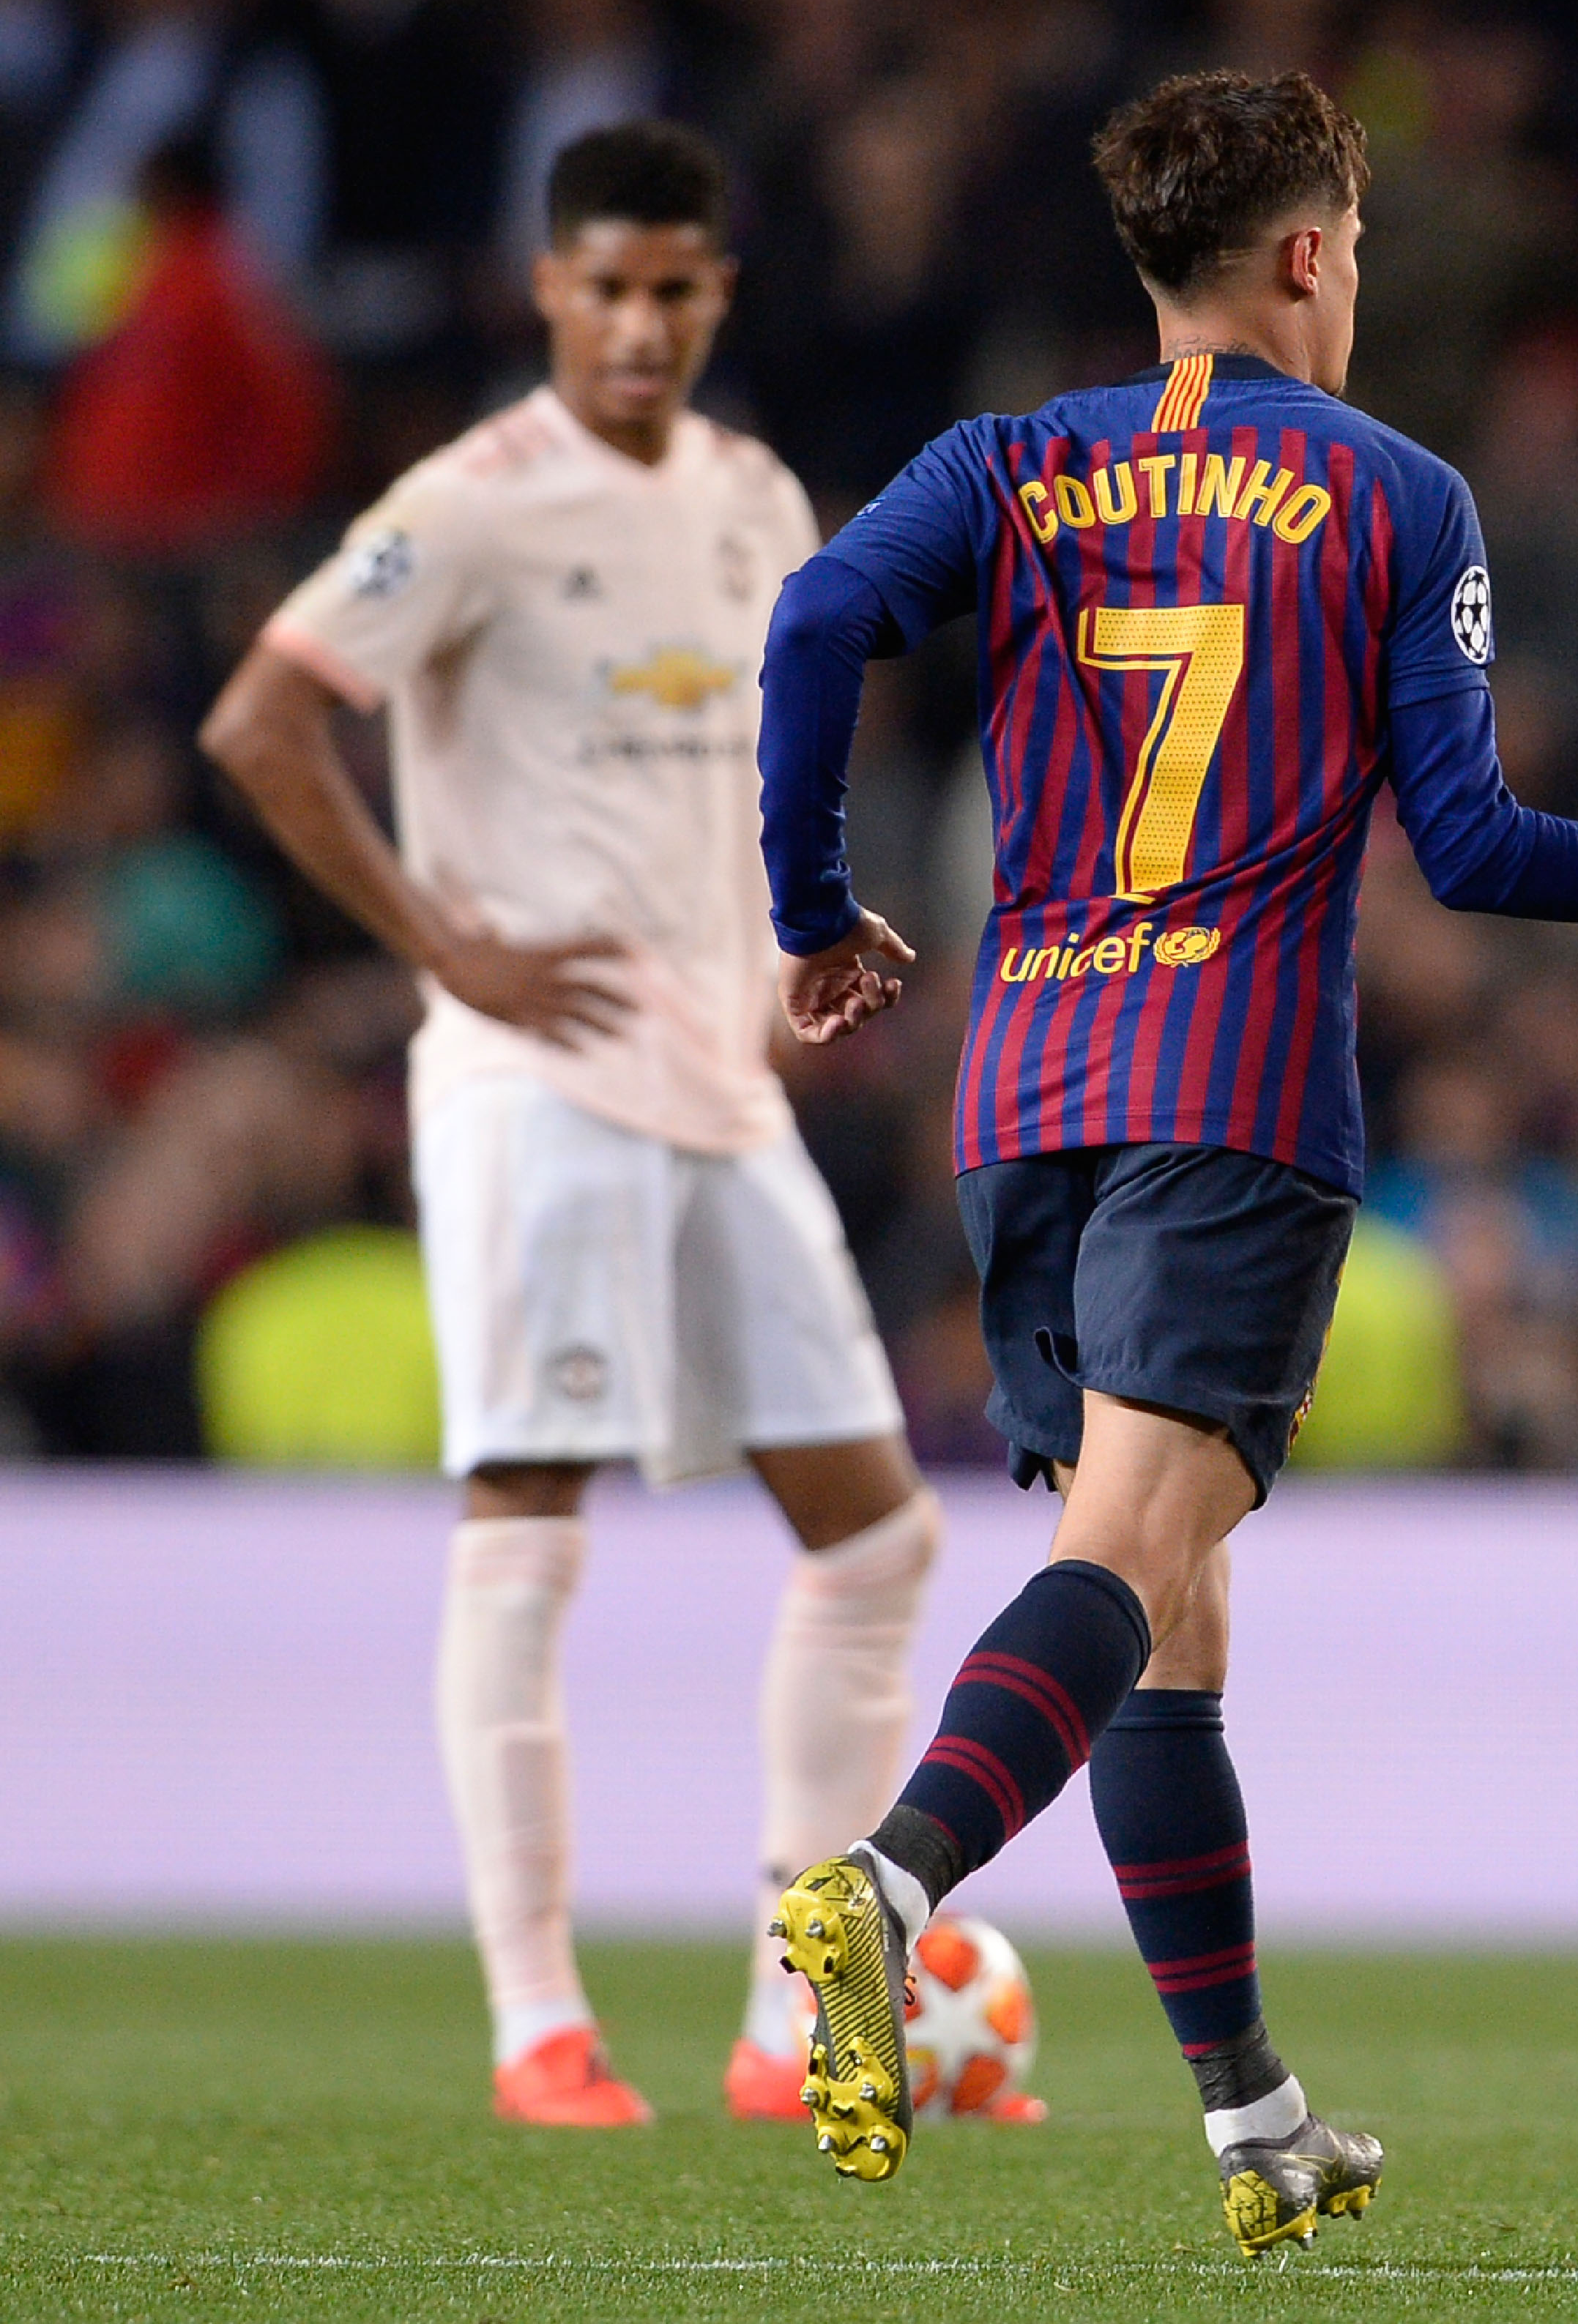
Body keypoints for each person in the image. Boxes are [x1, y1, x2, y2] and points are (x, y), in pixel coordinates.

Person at [752, 68, 1578, 2258]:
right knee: (1141, 1556)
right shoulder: (1398, 494)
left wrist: (812, 907)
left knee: (1171, 1616)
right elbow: (1479, 851)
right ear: (1310, 251)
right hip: (1229, 1089)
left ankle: (1255, 2121)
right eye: (1362, 247)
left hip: (1028, 1089)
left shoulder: (1009, 464)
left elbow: (816, 624)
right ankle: (888, 1882)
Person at [198, 121, 942, 2129]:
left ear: (716, 294)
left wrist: (802, 930)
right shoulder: (470, 500)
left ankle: (802, 2031)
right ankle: (538, 2019)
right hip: (538, 1085)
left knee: (877, 1534)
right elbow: (262, 723)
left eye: (674, 290)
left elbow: (759, 749)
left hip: (714, 1082)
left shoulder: (755, 493)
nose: (637, 323)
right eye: (602, 288)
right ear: (549, 292)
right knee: (531, 1514)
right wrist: (451, 945)